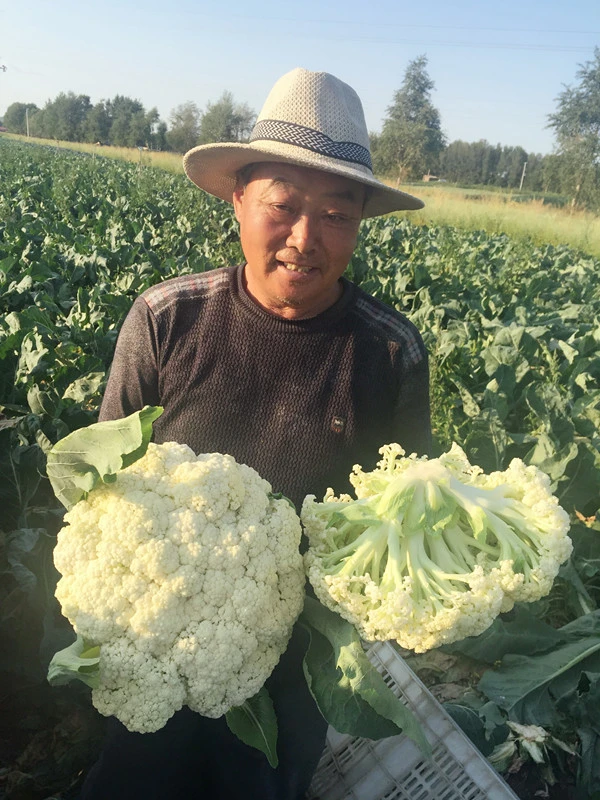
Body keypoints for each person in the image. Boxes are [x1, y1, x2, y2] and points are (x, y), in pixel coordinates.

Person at [80, 67, 431, 800]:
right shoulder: (167, 319)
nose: (306, 238)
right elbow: (96, 496)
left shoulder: (390, 352)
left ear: (361, 222)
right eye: (284, 205)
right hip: (156, 641)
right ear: (238, 198)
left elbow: (404, 534)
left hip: (295, 670)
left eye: (337, 214)